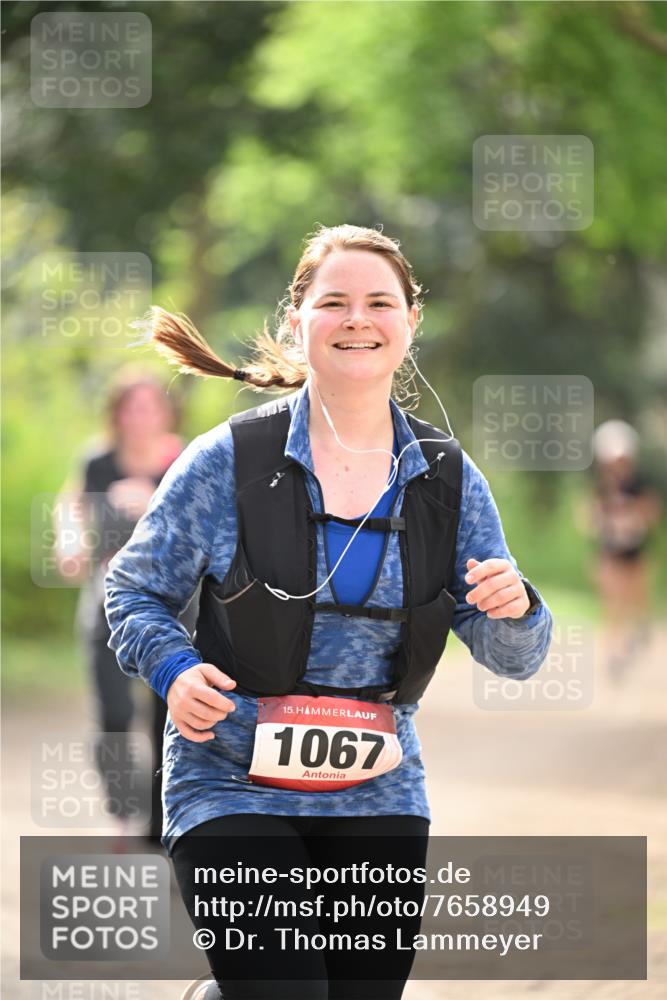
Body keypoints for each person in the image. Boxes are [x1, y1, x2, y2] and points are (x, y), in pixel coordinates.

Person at [104, 224, 553, 999]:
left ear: (409, 322)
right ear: (297, 321)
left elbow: (512, 657)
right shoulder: (227, 461)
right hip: (229, 779)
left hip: (378, 786)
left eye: (379, 302)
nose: (356, 319)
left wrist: (516, 611)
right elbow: (132, 591)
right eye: (333, 301)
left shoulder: (446, 478)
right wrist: (175, 671)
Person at [54, 368, 193, 841]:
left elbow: (206, 524)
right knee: (114, 715)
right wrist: (70, 541)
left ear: (167, 413)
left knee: (168, 717)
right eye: (131, 408)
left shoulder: (185, 460)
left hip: (174, 610)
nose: (140, 417)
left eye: (150, 407)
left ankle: (160, 823)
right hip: (108, 610)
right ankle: (122, 810)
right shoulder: (98, 461)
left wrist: (153, 500)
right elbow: (70, 506)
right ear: (115, 415)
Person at [588, 420, 661, 681]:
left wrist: (633, 516)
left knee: (636, 601)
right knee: (613, 604)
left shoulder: (639, 485)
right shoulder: (601, 487)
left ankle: (637, 633)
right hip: (610, 553)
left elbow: (651, 513)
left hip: (635, 553)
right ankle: (613, 654)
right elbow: (591, 519)